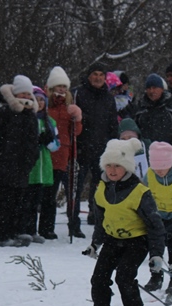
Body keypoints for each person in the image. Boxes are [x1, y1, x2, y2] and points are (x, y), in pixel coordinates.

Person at [85, 138, 166, 306]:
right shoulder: (101, 188)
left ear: (127, 167)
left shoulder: (140, 191)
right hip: (112, 240)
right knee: (98, 279)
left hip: (136, 242)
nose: (112, 170)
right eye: (108, 165)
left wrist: (156, 254)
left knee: (124, 277)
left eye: (118, 166)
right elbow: (101, 220)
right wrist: (95, 244)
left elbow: (155, 225)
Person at [0, 75, 40, 246]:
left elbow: (34, 142)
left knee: (19, 202)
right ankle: (2, 236)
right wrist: (1, 156)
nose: (25, 96)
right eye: (22, 93)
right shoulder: (3, 112)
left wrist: (30, 160)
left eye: (28, 93)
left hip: (22, 167)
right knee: (5, 203)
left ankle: (15, 232)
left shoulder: (31, 115)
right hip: (4, 166)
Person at [73, 63, 120, 238]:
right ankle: (74, 222)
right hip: (82, 148)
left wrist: (114, 146)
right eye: (95, 74)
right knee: (76, 188)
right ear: (89, 76)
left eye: (101, 75)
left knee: (101, 187)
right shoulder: (79, 93)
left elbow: (113, 124)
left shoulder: (108, 98)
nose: (98, 78)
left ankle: (97, 216)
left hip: (102, 149)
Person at [142, 141, 172, 299]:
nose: (159, 171)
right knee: (155, 244)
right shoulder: (149, 175)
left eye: (162, 167)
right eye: (156, 167)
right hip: (157, 216)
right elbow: (142, 193)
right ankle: (156, 275)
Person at [46, 67, 83, 239]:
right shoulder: (47, 106)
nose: (61, 89)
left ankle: (74, 225)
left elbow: (76, 132)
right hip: (48, 154)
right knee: (49, 193)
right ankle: (47, 226)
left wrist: (77, 119)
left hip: (65, 155)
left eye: (64, 86)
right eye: (58, 86)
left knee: (72, 193)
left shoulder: (69, 108)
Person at [22, 86, 60, 241]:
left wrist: (48, 141)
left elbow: (56, 146)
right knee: (28, 201)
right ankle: (28, 229)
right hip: (31, 167)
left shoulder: (50, 122)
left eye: (41, 100)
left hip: (44, 167)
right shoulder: (26, 119)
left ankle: (40, 230)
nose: (39, 103)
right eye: (36, 99)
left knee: (42, 200)